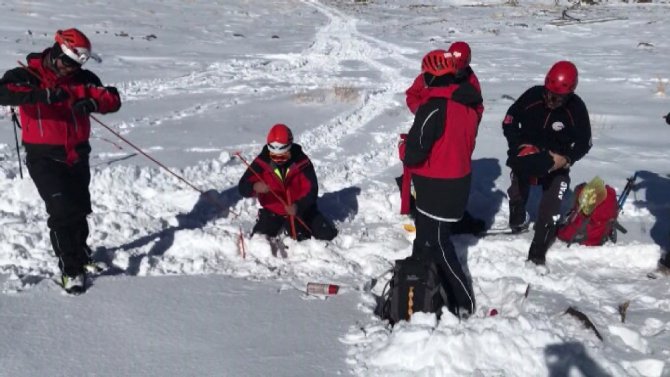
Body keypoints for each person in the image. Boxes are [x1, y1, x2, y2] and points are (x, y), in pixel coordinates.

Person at [0, 28, 122, 292]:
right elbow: (3, 92)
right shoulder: (27, 75)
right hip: (43, 156)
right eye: (67, 63)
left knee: (79, 208)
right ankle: (70, 269)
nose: (70, 69)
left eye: (76, 65)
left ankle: (81, 254)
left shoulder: (83, 78)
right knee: (61, 211)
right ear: (57, 53)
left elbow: (111, 98)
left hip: (77, 152)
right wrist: (42, 96)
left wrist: (92, 104)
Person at [402, 50, 483, 318]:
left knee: (439, 242)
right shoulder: (469, 103)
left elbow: (414, 152)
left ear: (430, 76)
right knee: (425, 238)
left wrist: (403, 147)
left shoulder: (433, 106)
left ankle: (463, 301)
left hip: (436, 185)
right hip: (457, 180)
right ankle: (420, 286)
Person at [502, 61, 592, 266]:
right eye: (549, 94)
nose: (551, 100)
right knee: (519, 173)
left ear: (569, 95)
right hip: (528, 155)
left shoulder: (575, 108)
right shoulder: (533, 96)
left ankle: (538, 248)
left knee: (553, 201)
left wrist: (567, 158)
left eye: (557, 98)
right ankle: (517, 212)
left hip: (556, 161)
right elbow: (509, 120)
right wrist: (518, 146)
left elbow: (584, 142)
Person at [400, 41, 486, 235]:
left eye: (461, 66)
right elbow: (412, 94)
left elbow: (477, 107)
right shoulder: (435, 72)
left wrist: (467, 126)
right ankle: (425, 211)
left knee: (450, 174)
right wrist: (425, 112)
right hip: (432, 124)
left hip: (456, 135)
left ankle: (450, 217)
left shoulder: (471, 80)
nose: (457, 71)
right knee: (423, 161)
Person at [238, 123, 338, 242]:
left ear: (289, 148)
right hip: (273, 211)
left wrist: (298, 206)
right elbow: (242, 187)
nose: (278, 160)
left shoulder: (302, 161)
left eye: (282, 156)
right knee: (259, 240)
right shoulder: (261, 162)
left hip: (301, 209)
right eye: (274, 156)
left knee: (325, 235)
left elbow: (312, 189)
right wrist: (254, 186)